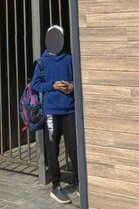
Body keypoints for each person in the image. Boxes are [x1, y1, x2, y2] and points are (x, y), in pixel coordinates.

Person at [31, 24, 78, 205]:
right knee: (52, 148)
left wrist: (72, 86)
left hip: (70, 110)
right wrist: (52, 86)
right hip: (51, 112)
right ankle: (56, 185)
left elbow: (77, 79)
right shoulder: (41, 63)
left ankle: (79, 180)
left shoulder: (70, 59)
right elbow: (35, 85)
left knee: (73, 147)